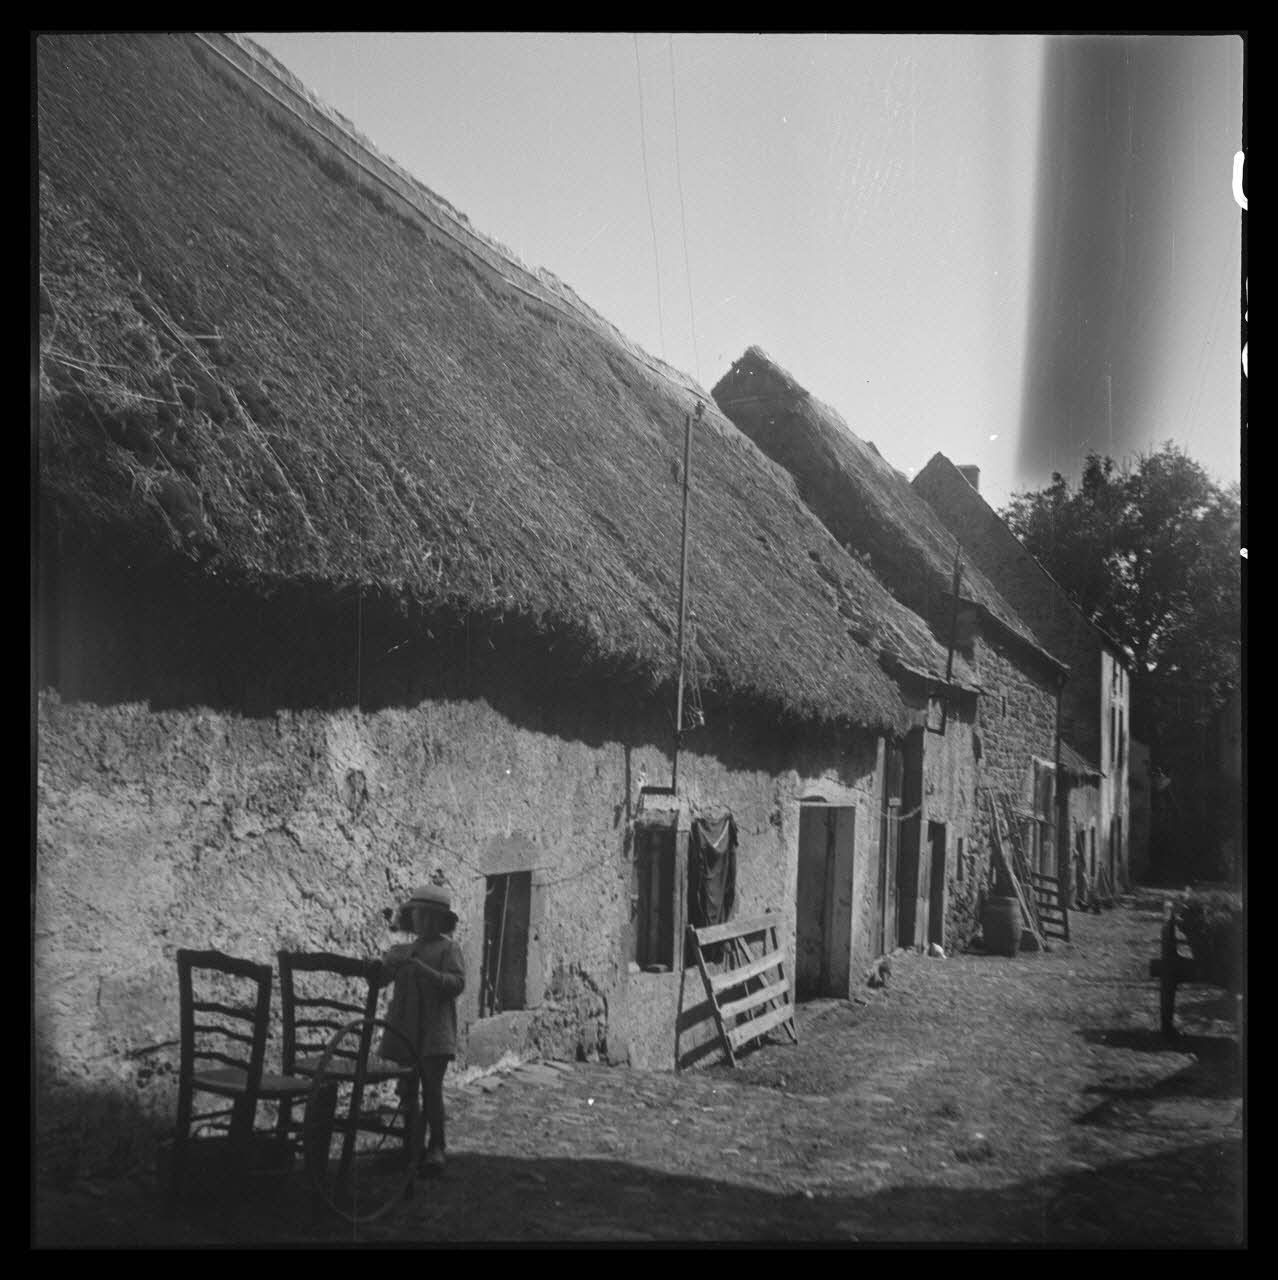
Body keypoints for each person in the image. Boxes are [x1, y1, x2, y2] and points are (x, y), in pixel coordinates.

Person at [379, 881, 465, 1174]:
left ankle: (437, 1145)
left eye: (431, 917)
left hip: (434, 1031)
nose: (424, 921)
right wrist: (383, 966)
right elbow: (382, 978)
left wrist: (425, 972)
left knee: (431, 1090)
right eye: (418, 915)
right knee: (407, 1088)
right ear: (410, 917)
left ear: (443, 922)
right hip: (406, 1029)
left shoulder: (448, 949)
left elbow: (456, 984)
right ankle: (411, 1144)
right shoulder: (404, 950)